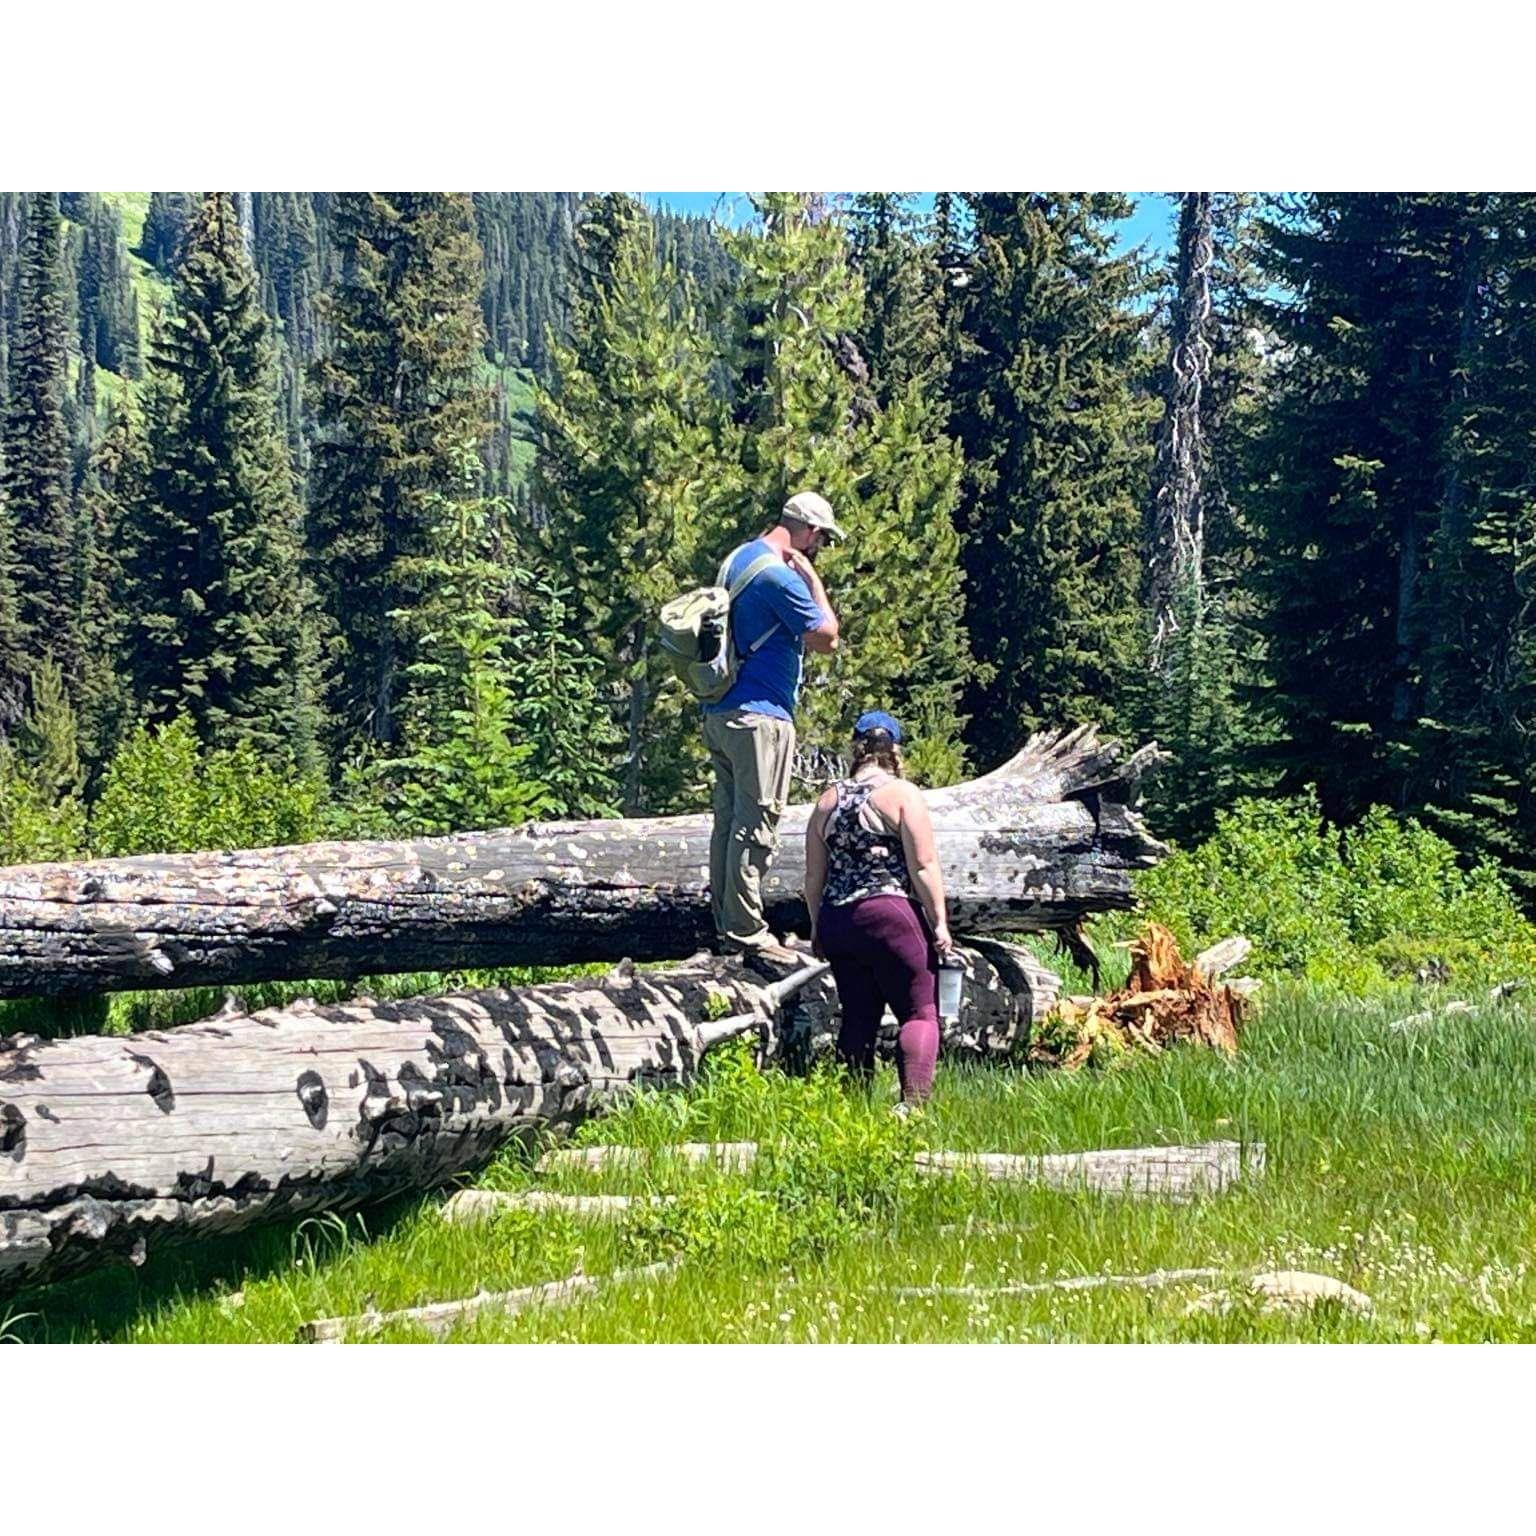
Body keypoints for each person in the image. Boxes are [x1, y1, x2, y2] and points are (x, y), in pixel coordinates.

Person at [703, 490, 843, 960]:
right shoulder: (781, 577)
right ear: (808, 532)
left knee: (727, 823)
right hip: (761, 715)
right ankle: (746, 933)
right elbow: (827, 638)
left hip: (722, 710)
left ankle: (726, 925)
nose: (817, 549)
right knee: (756, 823)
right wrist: (814, 580)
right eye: (820, 540)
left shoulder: (738, 559)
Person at [804, 711, 954, 1109]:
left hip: (838, 921)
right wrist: (939, 922)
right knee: (920, 1012)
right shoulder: (903, 794)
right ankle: (912, 1108)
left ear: (857, 749)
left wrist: (817, 927)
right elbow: (923, 865)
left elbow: (813, 877)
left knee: (858, 1016)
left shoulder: (827, 800)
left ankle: (851, 1112)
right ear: (896, 750)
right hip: (889, 912)